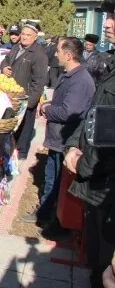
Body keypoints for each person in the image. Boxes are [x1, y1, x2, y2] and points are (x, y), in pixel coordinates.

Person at [64, 0, 115, 288]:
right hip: (97, 190)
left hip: (108, 190)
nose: (107, 23)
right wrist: (73, 144)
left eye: (113, 16)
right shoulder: (110, 64)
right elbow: (94, 115)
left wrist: (82, 161)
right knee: (96, 269)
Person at [22, 38, 95, 236]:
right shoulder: (70, 74)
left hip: (66, 139)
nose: (55, 54)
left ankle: (57, 221)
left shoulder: (81, 80)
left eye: (59, 51)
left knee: (59, 182)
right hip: (57, 139)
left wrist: (47, 108)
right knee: (51, 177)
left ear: (69, 55)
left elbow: (69, 112)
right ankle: (46, 212)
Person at [0, 22, 48, 160]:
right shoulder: (16, 47)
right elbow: (5, 60)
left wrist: (30, 103)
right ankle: (10, 151)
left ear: (35, 38)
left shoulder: (39, 55)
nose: (25, 37)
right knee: (12, 126)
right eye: (23, 34)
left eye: (28, 35)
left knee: (25, 129)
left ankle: (21, 154)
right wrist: (4, 67)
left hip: (26, 98)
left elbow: (39, 82)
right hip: (11, 95)